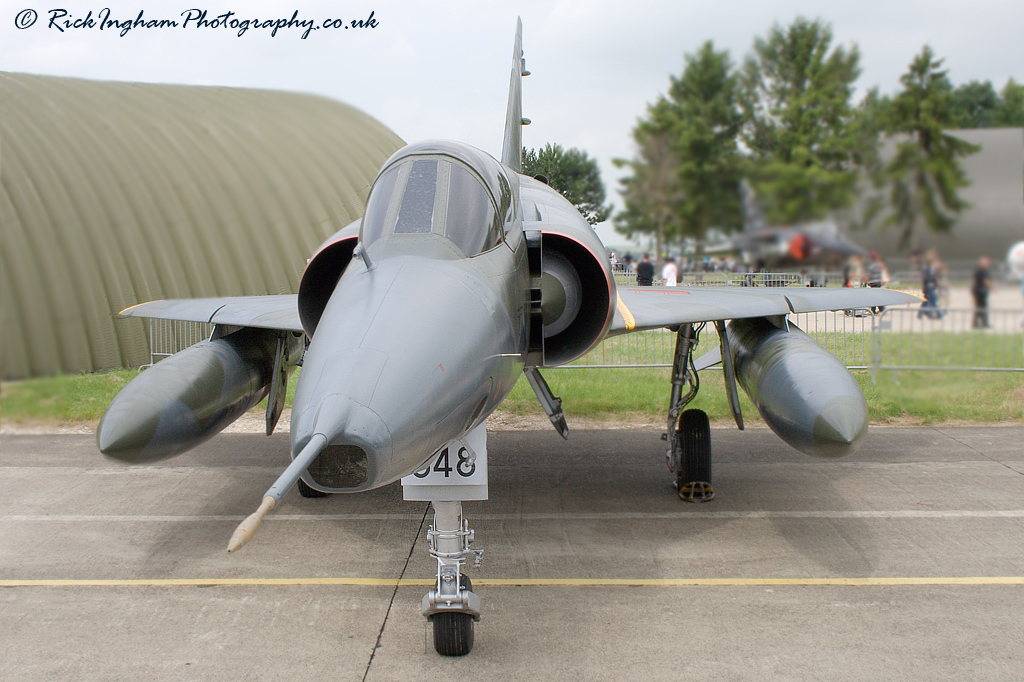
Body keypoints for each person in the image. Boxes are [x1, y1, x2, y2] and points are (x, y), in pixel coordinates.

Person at [918, 249, 943, 319]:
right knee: (933, 301)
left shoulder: (931, 269)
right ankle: (939, 314)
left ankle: (921, 314)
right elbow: (926, 278)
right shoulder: (927, 269)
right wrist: (933, 279)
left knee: (926, 301)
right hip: (928, 287)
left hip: (930, 287)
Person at [972, 256, 993, 329]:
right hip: (980, 291)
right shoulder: (982, 271)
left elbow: (974, 280)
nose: (988, 264)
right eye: (986, 262)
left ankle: (977, 323)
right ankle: (983, 323)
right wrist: (992, 288)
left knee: (979, 307)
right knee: (982, 307)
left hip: (976, 290)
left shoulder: (977, 270)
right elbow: (986, 281)